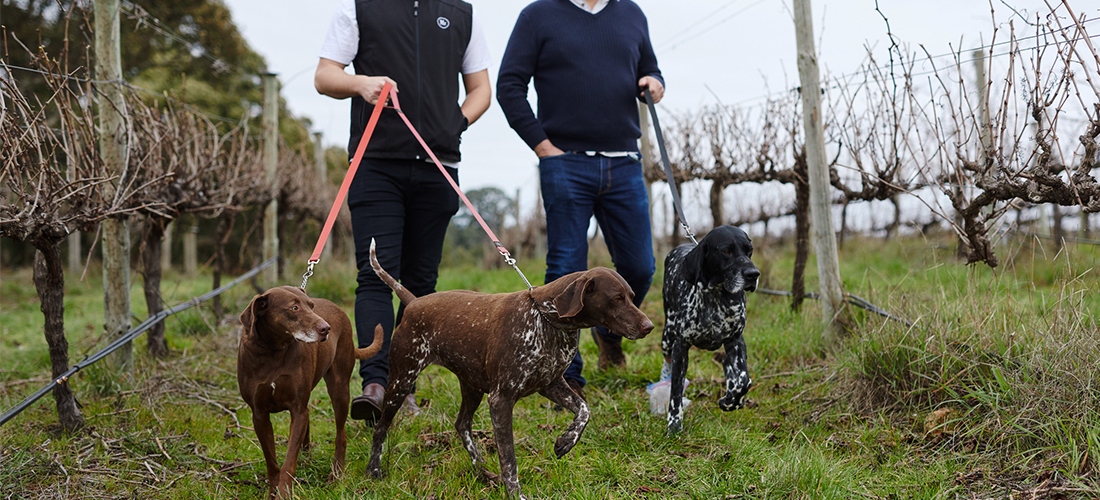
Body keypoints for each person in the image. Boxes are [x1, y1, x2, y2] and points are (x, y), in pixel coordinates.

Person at [314, 0, 491, 423]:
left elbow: (482, 90)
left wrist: (453, 124)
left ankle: (403, 385)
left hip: (439, 168)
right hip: (376, 165)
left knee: (421, 284)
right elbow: (325, 76)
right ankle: (375, 384)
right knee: (375, 275)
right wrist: (361, 85)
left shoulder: (461, 13)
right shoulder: (358, 8)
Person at [496, 0, 664, 399]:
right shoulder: (538, 15)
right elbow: (509, 85)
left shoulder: (631, 14)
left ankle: (609, 330)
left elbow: (650, 69)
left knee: (640, 266)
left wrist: (654, 82)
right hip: (565, 162)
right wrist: (542, 146)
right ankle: (566, 374)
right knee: (565, 272)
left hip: (624, 161)